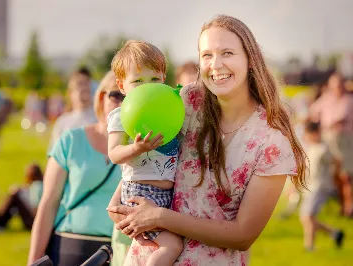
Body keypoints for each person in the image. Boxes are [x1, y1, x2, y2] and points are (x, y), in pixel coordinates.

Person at [107, 15, 307, 265]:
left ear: (251, 59)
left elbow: (243, 235)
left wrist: (158, 217)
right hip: (147, 257)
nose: (216, 64)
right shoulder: (187, 103)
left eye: (227, 53)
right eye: (207, 55)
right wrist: (120, 202)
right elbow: (149, 152)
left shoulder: (271, 143)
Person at [27, 71, 124, 266]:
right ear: (101, 97)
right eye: (116, 95)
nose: (122, 102)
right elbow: (48, 204)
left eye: (130, 96)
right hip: (69, 244)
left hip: (119, 251)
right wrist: (33, 260)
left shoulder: (143, 148)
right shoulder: (71, 140)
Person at [108, 40, 183, 266]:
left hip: (167, 197)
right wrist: (136, 148)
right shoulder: (121, 115)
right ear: (122, 86)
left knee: (174, 243)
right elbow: (114, 153)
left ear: (164, 79)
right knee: (173, 245)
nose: (147, 86)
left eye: (154, 79)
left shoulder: (169, 108)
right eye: (138, 81)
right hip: (140, 193)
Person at [309, 72, 353, 217]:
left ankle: (349, 207)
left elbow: (341, 118)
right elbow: (313, 110)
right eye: (335, 85)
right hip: (329, 139)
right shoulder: (327, 99)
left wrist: (328, 123)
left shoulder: (348, 100)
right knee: (335, 175)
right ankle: (343, 206)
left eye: (340, 84)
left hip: (345, 140)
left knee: (346, 175)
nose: (338, 88)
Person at [299, 121, 345, 251]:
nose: (306, 137)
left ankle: (309, 246)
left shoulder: (323, 148)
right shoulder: (310, 147)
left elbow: (337, 161)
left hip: (319, 186)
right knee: (306, 217)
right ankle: (335, 233)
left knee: (307, 216)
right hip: (310, 185)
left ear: (315, 134)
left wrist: (334, 177)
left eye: (308, 134)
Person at [0, 163, 44, 231]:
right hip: (38, 222)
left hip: (35, 222)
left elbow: (35, 210)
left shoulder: (36, 186)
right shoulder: (41, 185)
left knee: (14, 196)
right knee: (14, 200)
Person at [48, 68, 97, 152]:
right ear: (70, 93)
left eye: (86, 89)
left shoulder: (99, 119)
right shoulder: (62, 122)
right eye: (79, 88)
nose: (83, 94)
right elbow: (55, 154)